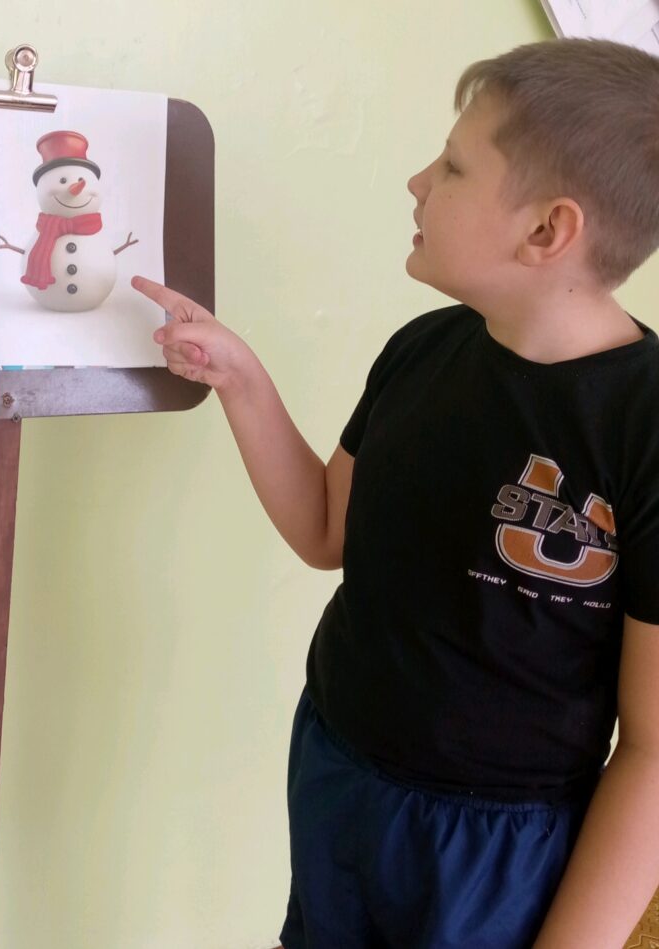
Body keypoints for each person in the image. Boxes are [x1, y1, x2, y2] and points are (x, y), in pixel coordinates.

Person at [133, 37, 659, 949]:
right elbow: (324, 528)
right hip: (338, 773)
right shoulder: (423, 350)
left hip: (496, 847)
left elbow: (652, 750)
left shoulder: (643, 425)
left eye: (452, 167)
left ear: (548, 231)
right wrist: (241, 379)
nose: (417, 182)